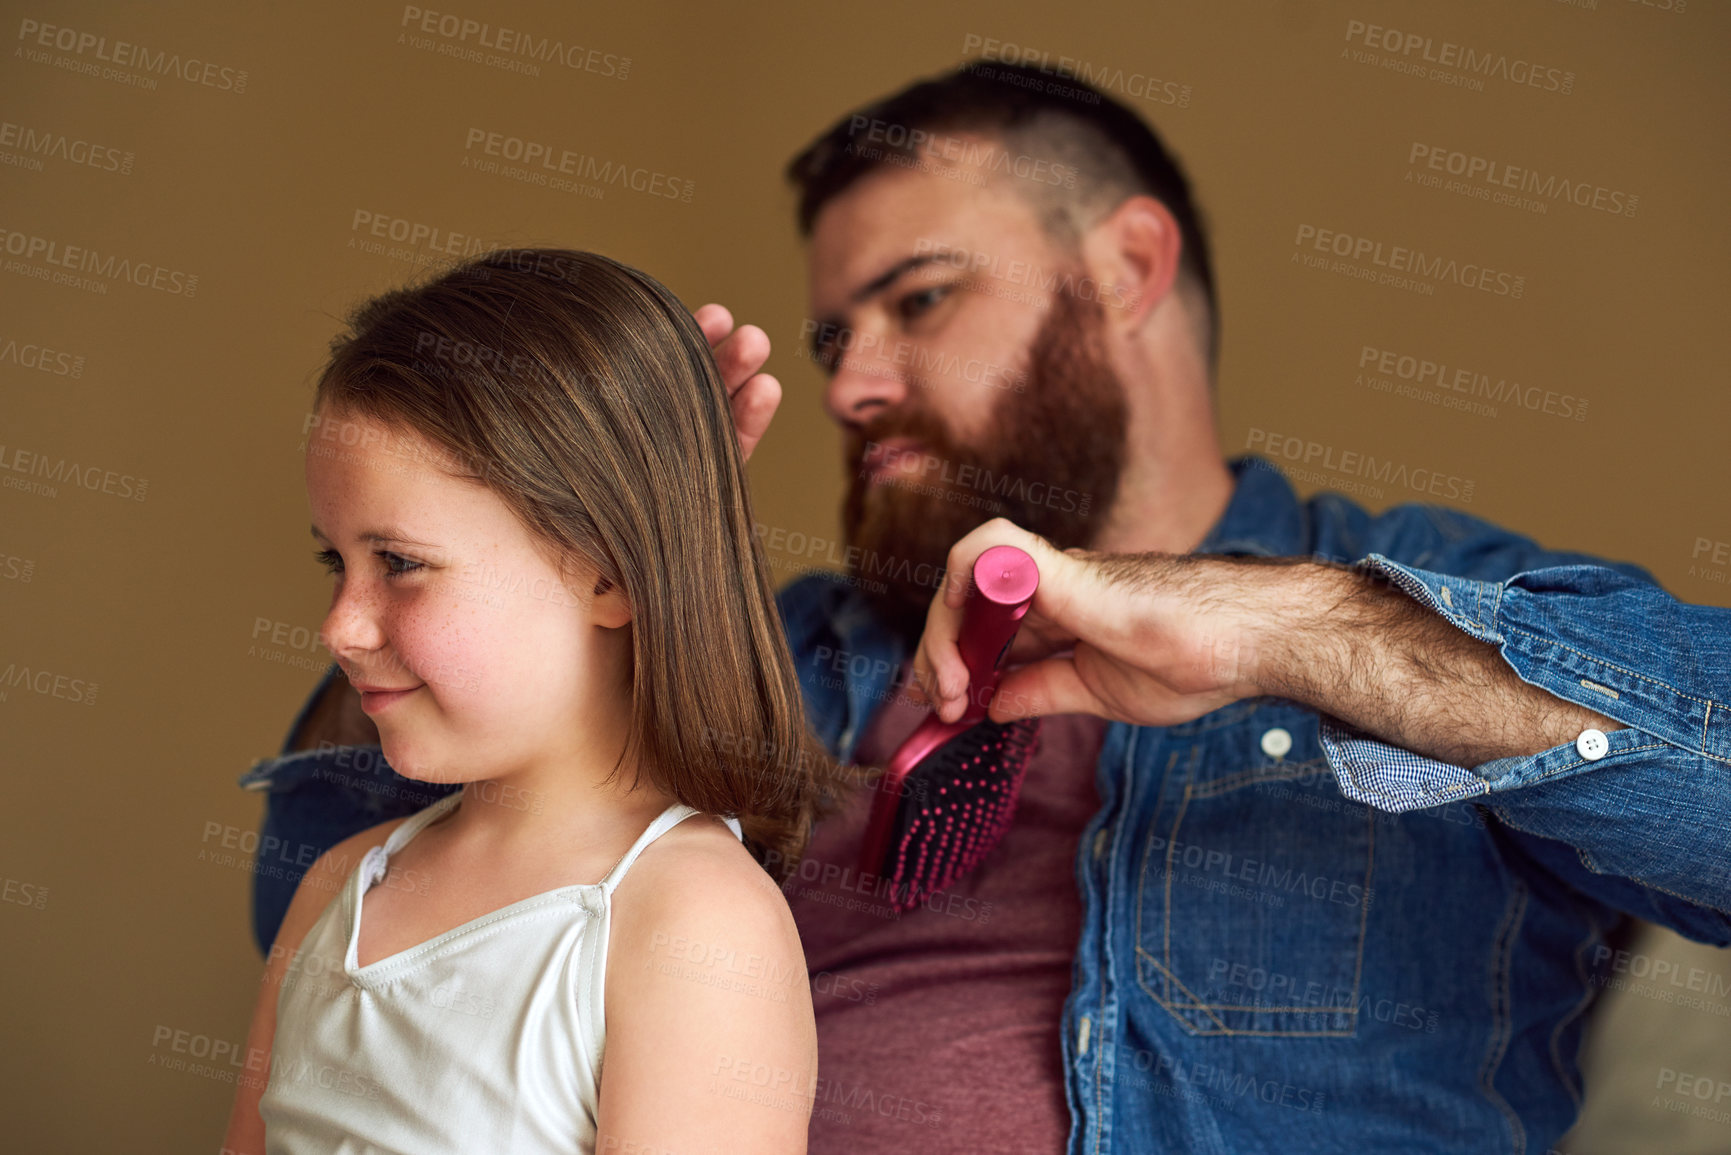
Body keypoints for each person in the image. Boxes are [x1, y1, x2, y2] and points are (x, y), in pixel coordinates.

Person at [239, 64, 1731, 1153]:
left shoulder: (1408, 609)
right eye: (831, 333)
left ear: (1126, 267)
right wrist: (557, 549)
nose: (849, 381)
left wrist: (1288, 634)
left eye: (919, 299)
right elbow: (320, 911)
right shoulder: (784, 655)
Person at [222, 249, 826, 1154]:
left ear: (611, 573)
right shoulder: (336, 888)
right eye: (334, 563)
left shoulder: (696, 923)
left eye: (399, 564)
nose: (339, 626)